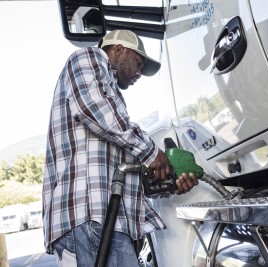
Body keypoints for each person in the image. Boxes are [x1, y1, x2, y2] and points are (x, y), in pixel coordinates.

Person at [42, 29, 199, 267]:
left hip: (105, 221)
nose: (139, 73)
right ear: (118, 50)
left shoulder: (114, 107)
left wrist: (168, 183)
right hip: (92, 219)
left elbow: (127, 173)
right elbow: (93, 108)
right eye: (138, 63)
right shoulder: (88, 57)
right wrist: (151, 152)